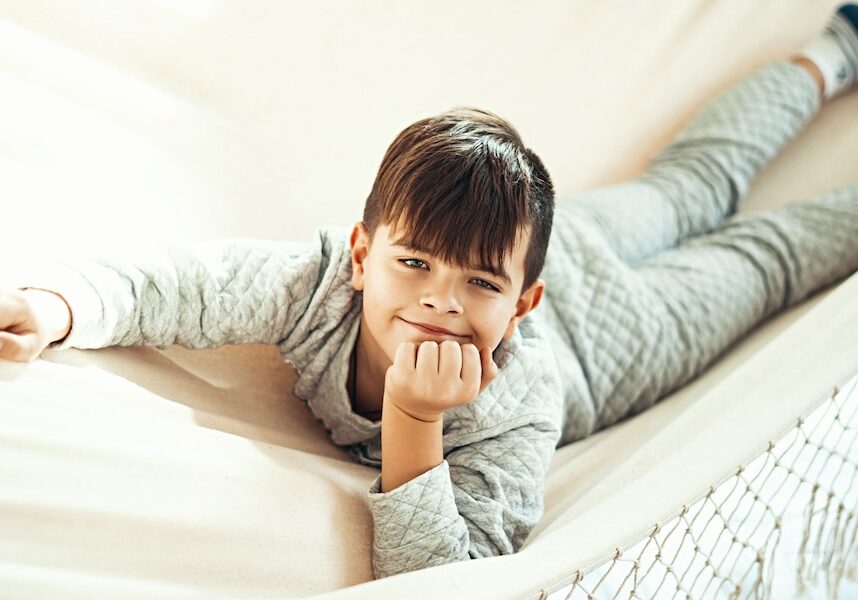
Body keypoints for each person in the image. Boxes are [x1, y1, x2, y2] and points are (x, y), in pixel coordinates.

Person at [2, 4, 857, 580]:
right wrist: (59, 306)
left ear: (522, 302)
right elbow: (176, 288)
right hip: (584, 281)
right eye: (414, 265)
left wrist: (414, 422)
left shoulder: (515, 401)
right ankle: (837, 52)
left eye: (478, 285)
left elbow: (448, 573)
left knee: (703, 196)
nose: (442, 302)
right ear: (362, 254)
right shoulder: (314, 288)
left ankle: (833, 49)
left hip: (624, 327)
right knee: (759, 251)